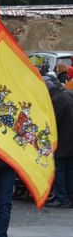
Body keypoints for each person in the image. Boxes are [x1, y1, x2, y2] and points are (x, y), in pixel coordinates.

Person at [44, 75, 73, 208]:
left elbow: (53, 123)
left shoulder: (56, 101)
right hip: (69, 140)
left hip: (62, 141)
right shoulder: (65, 96)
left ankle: (63, 199)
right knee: (68, 171)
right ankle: (69, 198)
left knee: (59, 170)